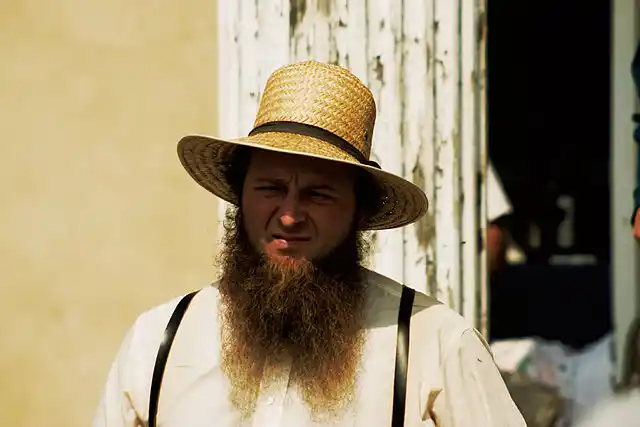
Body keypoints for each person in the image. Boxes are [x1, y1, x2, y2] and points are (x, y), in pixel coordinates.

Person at [92, 60, 526, 426]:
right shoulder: (158, 343)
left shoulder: (434, 344)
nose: (288, 215)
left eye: (318, 194)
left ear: (359, 211)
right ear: (239, 196)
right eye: (269, 188)